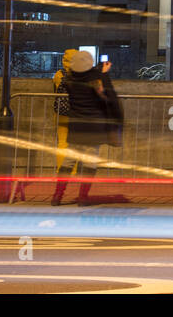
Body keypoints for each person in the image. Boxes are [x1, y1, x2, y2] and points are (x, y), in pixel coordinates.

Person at [51, 49, 123, 206]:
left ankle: (57, 196)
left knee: (68, 162)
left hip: (76, 127)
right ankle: (82, 197)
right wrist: (104, 74)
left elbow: (83, 78)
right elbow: (108, 95)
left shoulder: (69, 80)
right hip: (93, 128)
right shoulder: (95, 80)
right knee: (90, 163)